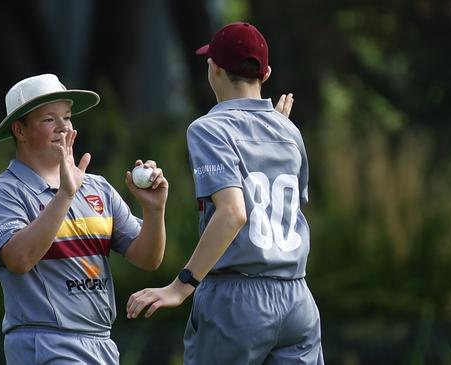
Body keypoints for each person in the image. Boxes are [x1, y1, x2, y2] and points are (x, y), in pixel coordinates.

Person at [126, 22, 324, 364]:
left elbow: (233, 213)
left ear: (214, 68)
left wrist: (181, 285)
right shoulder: (289, 130)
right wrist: (274, 126)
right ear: (266, 74)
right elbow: (280, 210)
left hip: (238, 301)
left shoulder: (208, 128)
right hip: (298, 300)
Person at [0, 74, 169, 364]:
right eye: (48, 119)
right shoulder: (4, 192)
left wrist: (154, 211)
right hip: (45, 343)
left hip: (102, 343)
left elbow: (147, 258)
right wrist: (66, 194)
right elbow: (19, 260)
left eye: (67, 117)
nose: (63, 127)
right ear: (19, 130)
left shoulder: (98, 188)